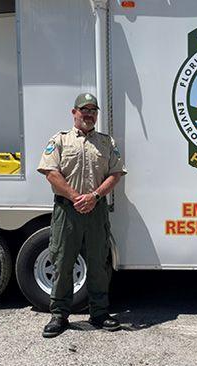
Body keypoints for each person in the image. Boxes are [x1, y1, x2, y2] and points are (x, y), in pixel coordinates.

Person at [37, 93, 127, 338]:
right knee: (63, 262)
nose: (88, 114)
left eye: (93, 111)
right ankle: (59, 315)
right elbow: (50, 172)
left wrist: (94, 196)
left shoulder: (106, 143)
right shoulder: (60, 140)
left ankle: (99, 313)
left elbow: (115, 174)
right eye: (84, 110)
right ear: (74, 112)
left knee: (98, 263)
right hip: (67, 211)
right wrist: (77, 197)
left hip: (96, 210)